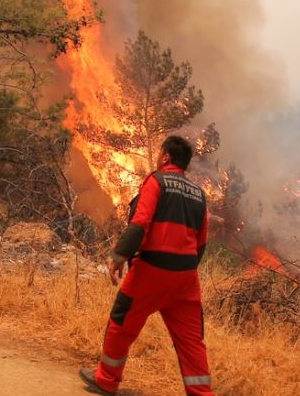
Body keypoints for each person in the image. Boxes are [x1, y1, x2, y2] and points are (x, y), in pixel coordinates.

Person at [79, 136, 215, 396]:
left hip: (152, 270)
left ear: (165, 158)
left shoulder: (156, 180)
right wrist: (183, 270)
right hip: (186, 278)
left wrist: (119, 256)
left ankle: (107, 379)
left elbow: (140, 223)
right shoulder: (199, 195)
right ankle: (202, 393)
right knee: (191, 340)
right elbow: (201, 244)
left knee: (122, 320)